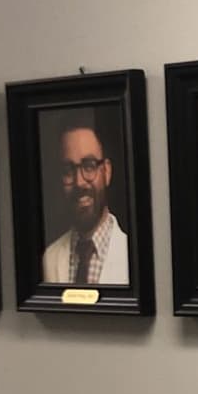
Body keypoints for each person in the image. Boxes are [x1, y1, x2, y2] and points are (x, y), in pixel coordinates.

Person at [41, 120, 129, 285]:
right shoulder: (50, 259)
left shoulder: (134, 256)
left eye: (89, 166)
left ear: (107, 171)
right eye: (68, 171)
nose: (79, 182)